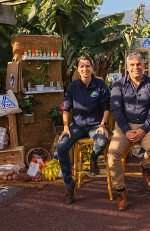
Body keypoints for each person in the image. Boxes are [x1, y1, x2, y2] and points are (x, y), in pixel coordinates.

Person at [108, 52, 150, 211]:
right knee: (113, 153)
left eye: (139, 64)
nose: (136, 67)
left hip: (146, 125)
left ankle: (145, 166)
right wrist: (126, 130)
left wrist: (144, 130)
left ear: (144, 66)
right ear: (127, 67)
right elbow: (116, 110)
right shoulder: (118, 85)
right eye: (132, 65)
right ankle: (121, 190)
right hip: (124, 126)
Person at [58, 55, 110, 204]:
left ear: (92, 68)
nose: (85, 69)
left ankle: (93, 160)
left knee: (101, 141)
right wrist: (66, 128)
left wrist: (102, 125)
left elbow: (107, 108)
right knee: (61, 146)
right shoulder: (73, 86)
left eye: (87, 66)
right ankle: (69, 183)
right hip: (78, 125)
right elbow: (66, 108)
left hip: (96, 125)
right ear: (78, 69)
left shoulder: (100, 85)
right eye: (82, 66)